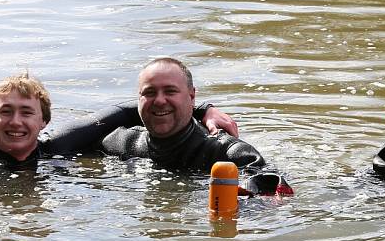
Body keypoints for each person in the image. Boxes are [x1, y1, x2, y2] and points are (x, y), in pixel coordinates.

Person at [0, 71, 239, 199]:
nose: (15, 122)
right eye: (5, 112)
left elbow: (129, 111)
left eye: (26, 112)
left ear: (43, 121)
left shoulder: (61, 147)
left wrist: (203, 110)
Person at [97, 57, 266, 172]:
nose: (159, 101)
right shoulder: (118, 143)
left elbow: (273, 201)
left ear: (192, 97)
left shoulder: (228, 153)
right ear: (138, 98)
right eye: (149, 93)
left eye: (170, 91)